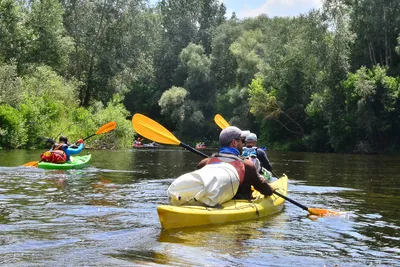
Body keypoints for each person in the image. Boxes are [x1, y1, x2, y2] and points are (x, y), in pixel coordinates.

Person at [197, 126, 275, 200]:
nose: (243, 144)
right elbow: (264, 189)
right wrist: (271, 190)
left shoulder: (204, 163)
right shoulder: (247, 165)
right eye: (242, 141)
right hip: (241, 205)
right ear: (234, 142)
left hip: (213, 202)